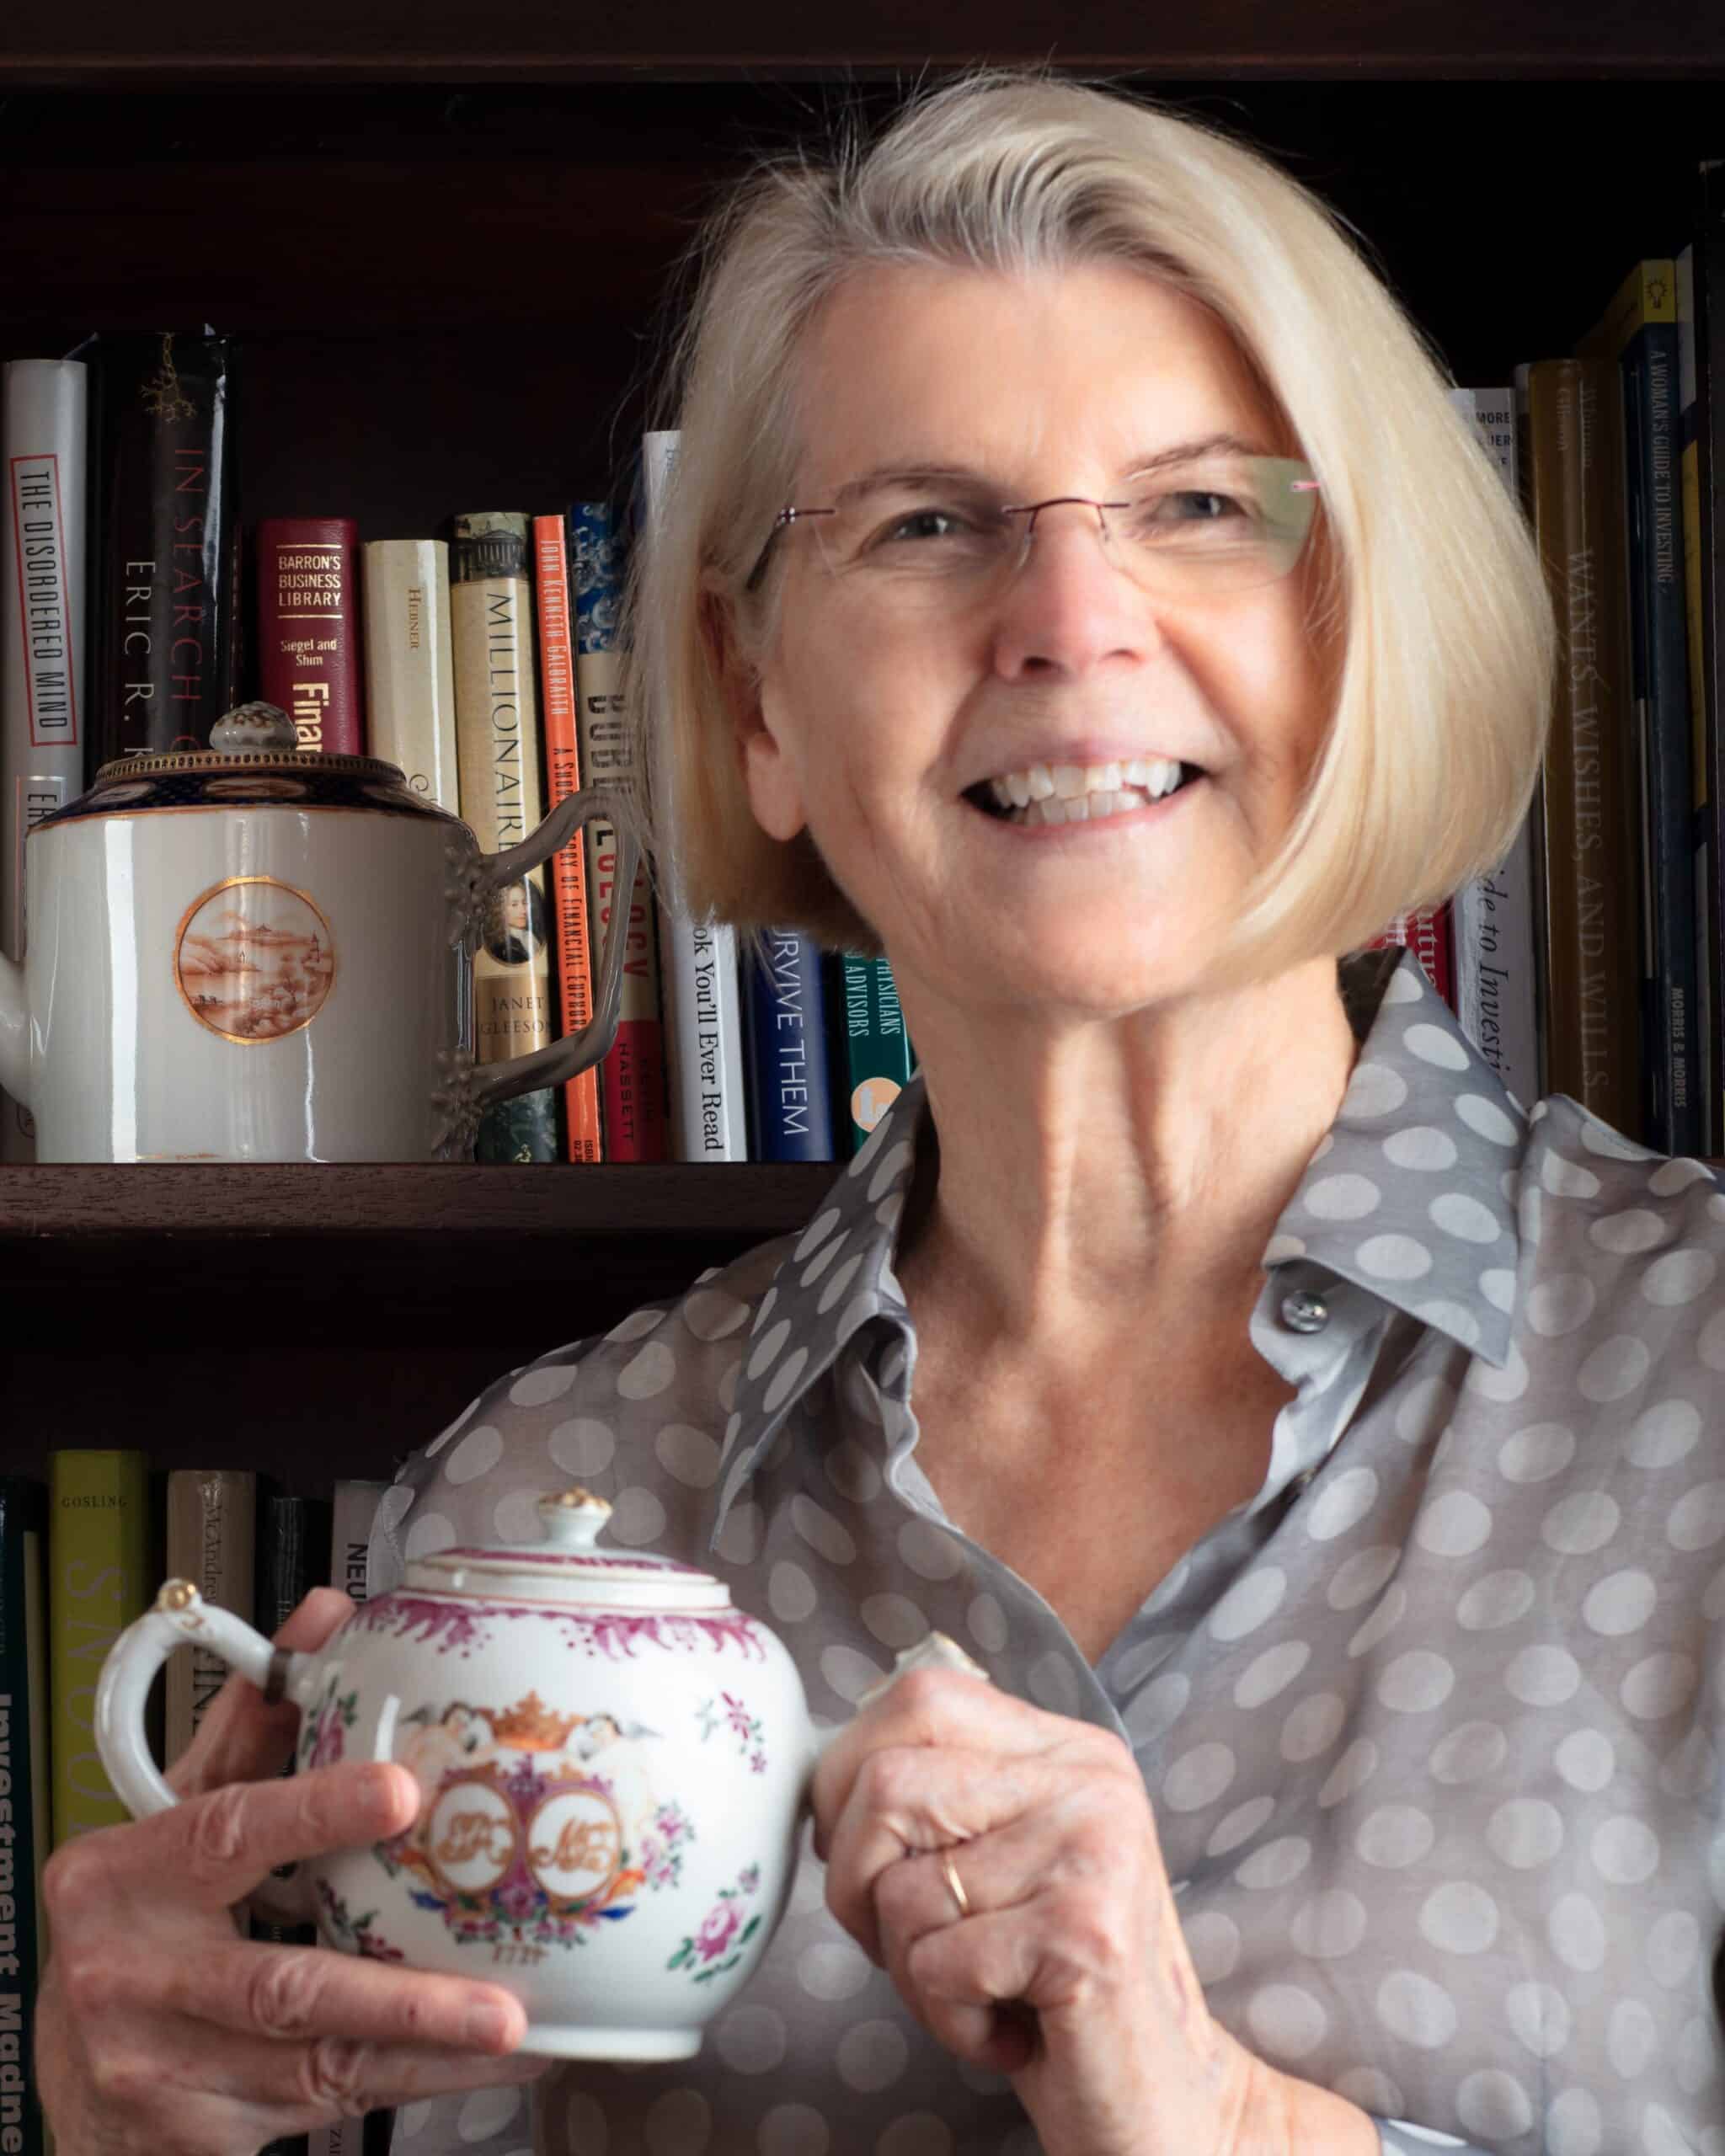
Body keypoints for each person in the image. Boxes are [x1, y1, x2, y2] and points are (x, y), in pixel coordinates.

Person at [35, 62, 1725, 2156]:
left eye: (1201, 503)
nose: (1069, 621)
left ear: (1355, 625)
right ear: (757, 703)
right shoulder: (535, 1495)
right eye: (930, 524)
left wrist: (1216, 2120)